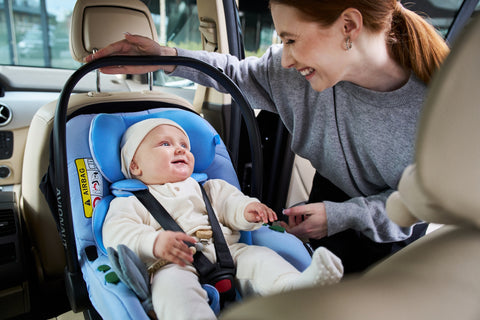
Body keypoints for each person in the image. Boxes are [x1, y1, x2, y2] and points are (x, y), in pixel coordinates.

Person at [88, 0, 450, 273]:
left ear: (349, 26)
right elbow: (235, 73)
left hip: (391, 231)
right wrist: (165, 58)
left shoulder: (441, 109)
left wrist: (343, 216)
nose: (285, 59)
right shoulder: (293, 74)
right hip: (330, 199)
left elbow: (421, 204)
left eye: (291, 39)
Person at [102, 118, 343, 320]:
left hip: (229, 251)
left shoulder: (208, 187)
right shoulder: (130, 201)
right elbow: (117, 232)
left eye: (185, 145)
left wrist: (248, 210)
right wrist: (153, 242)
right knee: (172, 289)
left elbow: (231, 203)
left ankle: (296, 290)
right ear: (135, 165)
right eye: (165, 144)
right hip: (173, 263)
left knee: (262, 259)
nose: (180, 149)